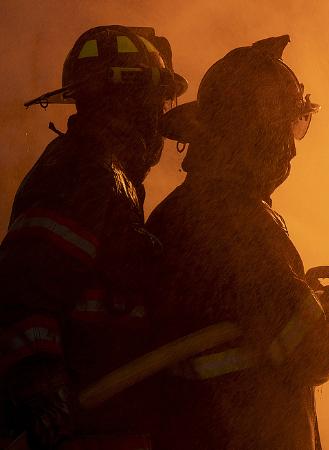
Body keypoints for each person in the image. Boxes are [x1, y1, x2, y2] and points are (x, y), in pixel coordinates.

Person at [145, 35, 329, 449]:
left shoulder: (183, 211)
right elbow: (306, 346)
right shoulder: (234, 220)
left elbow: (255, 316)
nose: (292, 150)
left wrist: (319, 304)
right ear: (256, 134)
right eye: (286, 130)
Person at [0, 25, 187, 449]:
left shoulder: (107, 175)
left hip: (108, 428)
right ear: (129, 100)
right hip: (80, 435)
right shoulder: (84, 172)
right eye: (157, 101)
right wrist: (40, 381)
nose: (160, 118)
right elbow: (22, 288)